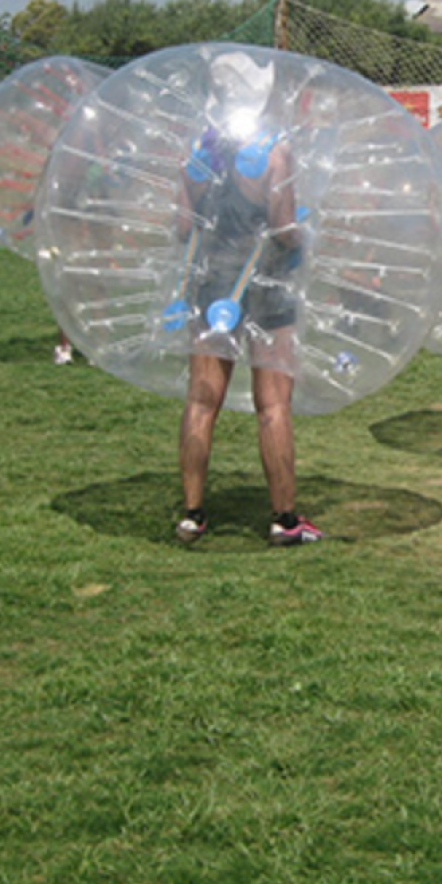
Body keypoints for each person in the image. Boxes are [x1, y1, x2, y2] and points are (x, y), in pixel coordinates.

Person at [172, 61, 321, 547]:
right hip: (267, 286)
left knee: (201, 400)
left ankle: (192, 514)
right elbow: (282, 229)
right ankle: (285, 519)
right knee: (273, 404)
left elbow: (181, 227)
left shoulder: (198, 155)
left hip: (212, 285)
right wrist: (306, 233)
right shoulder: (275, 152)